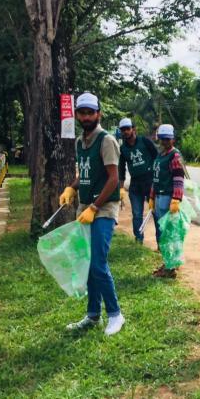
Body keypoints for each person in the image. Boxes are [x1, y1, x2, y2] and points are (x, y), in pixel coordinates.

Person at [58, 92, 125, 335]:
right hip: (84, 208)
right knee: (87, 265)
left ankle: (116, 314)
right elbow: (85, 174)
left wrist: (95, 207)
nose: (86, 117)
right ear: (77, 114)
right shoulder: (79, 142)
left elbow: (114, 179)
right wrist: (71, 187)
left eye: (90, 112)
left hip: (104, 209)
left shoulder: (106, 141)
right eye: (82, 112)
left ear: (98, 114)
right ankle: (93, 315)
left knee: (98, 263)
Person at [149, 123, 185, 277]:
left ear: (173, 139)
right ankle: (169, 263)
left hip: (168, 198)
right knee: (163, 233)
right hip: (159, 197)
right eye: (162, 139)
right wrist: (151, 196)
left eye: (167, 139)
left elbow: (178, 178)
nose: (164, 141)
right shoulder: (160, 154)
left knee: (168, 234)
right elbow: (155, 178)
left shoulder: (174, 155)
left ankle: (170, 267)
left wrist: (176, 199)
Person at [118, 117, 158, 243]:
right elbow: (121, 169)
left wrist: (158, 179)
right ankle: (138, 240)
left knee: (156, 212)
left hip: (150, 182)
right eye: (123, 129)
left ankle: (161, 243)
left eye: (127, 129)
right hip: (135, 185)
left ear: (133, 129)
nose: (125, 132)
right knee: (136, 214)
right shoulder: (123, 149)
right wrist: (121, 188)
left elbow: (157, 158)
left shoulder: (144, 141)